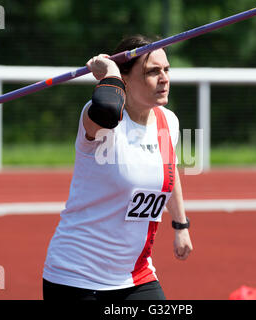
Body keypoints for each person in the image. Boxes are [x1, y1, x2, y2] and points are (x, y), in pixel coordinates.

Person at [42, 34, 193, 300]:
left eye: (166, 70)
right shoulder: (100, 119)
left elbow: (169, 171)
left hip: (135, 275)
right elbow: (108, 109)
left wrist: (181, 225)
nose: (164, 78)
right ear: (125, 79)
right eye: (152, 71)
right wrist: (110, 73)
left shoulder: (168, 121)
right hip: (77, 277)